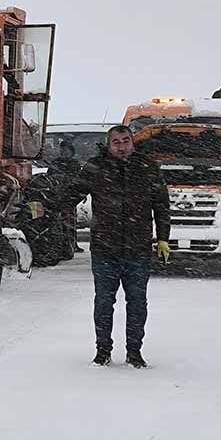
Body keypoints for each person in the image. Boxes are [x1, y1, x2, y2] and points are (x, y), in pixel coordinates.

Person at [61, 125, 171, 368]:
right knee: (103, 302)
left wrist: (163, 237)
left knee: (137, 302)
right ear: (109, 145)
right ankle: (103, 351)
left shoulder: (147, 167)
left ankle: (134, 352)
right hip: (104, 249)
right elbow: (71, 195)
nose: (122, 146)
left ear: (132, 142)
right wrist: (44, 207)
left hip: (138, 249)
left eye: (126, 141)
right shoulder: (96, 167)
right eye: (116, 142)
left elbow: (162, 205)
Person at [48, 141, 84, 254]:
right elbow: (49, 178)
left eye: (66, 150)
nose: (64, 152)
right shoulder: (55, 163)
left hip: (70, 196)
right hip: (58, 195)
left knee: (70, 221)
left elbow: (80, 181)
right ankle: (63, 244)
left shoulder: (75, 164)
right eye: (62, 150)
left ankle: (72, 243)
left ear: (71, 151)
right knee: (59, 221)